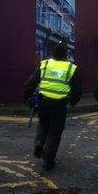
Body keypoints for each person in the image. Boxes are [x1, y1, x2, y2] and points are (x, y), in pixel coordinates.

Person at [24, 42, 83, 170]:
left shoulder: (45, 64)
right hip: (59, 104)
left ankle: (39, 142)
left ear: (53, 53)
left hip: (43, 102)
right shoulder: (71, 68)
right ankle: (48, 162)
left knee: (43, 124)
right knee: (55, 132)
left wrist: (27, 98)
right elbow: (78, 90)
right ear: (66, 54)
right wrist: (72, 102)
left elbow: (30, 83)